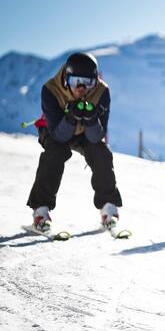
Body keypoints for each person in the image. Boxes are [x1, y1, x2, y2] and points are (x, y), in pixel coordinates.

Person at [26, 52, 122, 232]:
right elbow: (59, 137)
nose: (81, 88)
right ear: (66, 78)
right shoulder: (50, 90)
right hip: (55, 130)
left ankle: (108, 208)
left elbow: (96, 137)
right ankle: (40, 211)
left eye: (87, 82)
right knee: (55, 153)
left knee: (101, 153)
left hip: (84, 131)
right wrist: (70, 118)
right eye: (75, 81)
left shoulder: (102, 92)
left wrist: (92, 120)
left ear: (95, 81)